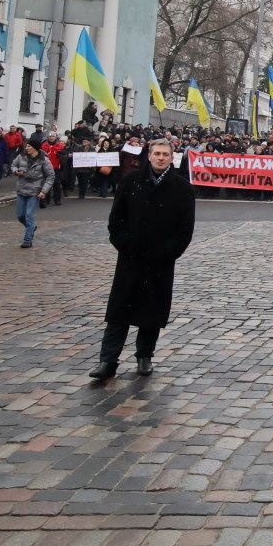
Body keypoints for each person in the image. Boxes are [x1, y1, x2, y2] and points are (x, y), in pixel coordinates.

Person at [89, 139, 196, 379]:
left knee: (152, 311)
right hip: (131, 256)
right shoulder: (130, 181)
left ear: (171, 157)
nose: (160, 158)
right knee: (119, 312)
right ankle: (108, 360)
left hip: (160, 260)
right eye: (156, 153)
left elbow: (185, 230)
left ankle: (144, 356)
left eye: (165, 154)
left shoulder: (182, 188)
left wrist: (168, 251)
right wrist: (125, 244)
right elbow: (116, 220)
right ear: (149, 156)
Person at [10, 140, 54, 249]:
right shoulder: (21, 156)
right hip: (21, 188)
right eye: (27, 146)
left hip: (35, 190)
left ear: (35, 147)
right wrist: (16, 172)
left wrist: (44, 191)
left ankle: (27, 239)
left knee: (29, 215)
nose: (27, 148)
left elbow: (50, 177)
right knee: (20, 215)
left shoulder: (44, 160)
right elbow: (13, 165)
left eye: (29, 146)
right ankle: (31, 227)